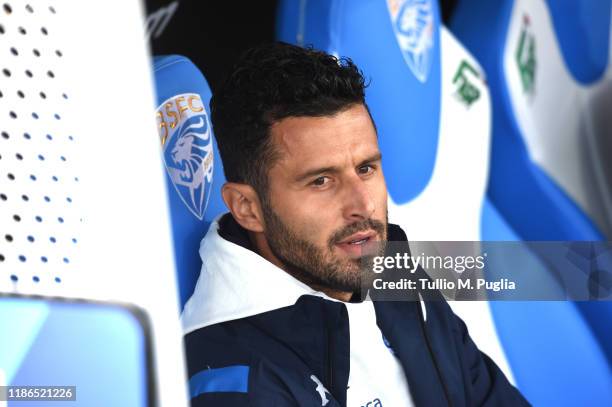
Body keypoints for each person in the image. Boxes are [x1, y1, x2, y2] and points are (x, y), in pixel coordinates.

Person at [181, 42, 529, 406]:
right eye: (321, 181)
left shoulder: (387, 266)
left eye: (366, 168)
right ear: (247, 207)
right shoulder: (235, 381)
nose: (363, 205)